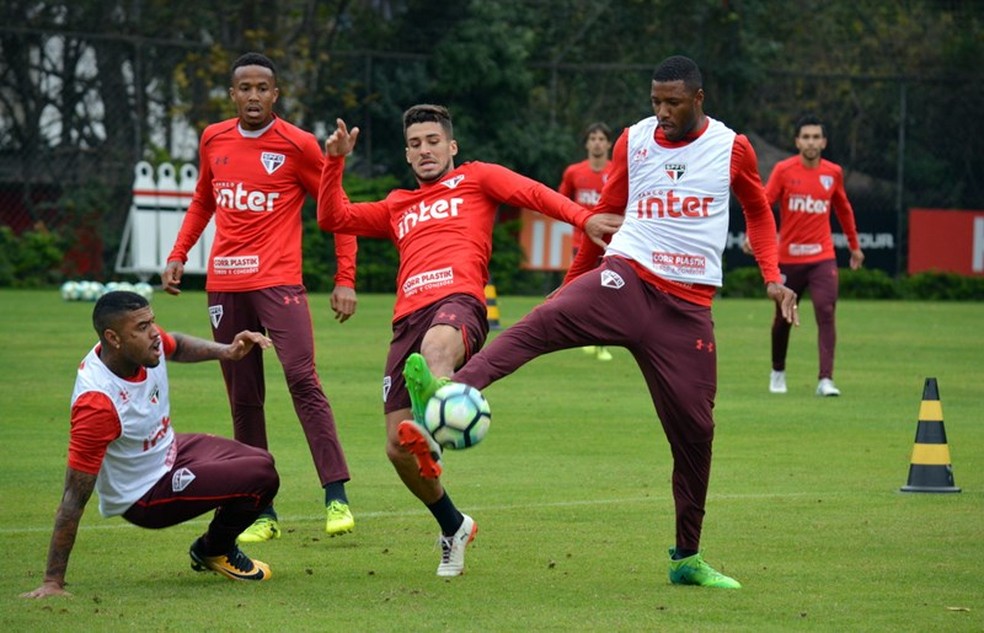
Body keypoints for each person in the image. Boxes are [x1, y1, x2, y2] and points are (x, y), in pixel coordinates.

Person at [406, 56, 799, 589]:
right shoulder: (632, 141)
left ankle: (687, 558)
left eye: (673, 103)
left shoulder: (733, 148)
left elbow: (757, 211)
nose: (661, 112)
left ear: (698, 99)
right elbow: (603, 219)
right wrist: (572, 285)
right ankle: (445, 392)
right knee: (539, 323)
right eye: (655, 101)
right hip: (626, 278)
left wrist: (772, 275)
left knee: (696, 434)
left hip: (686, 311)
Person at [316, 104, 623, 576]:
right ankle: (453, 524)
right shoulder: (398, 205)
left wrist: (584, 219)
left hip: (458, 303)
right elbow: (333, 217)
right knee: (397, 450)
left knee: (436, 350)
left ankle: (434, 424)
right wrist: (333, 161)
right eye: (415, 144)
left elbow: (534, 193)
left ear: (452, 146)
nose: (425, 150)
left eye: (433, 141)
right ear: (406, 154)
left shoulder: (477, 179)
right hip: (405, 321)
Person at [161, 52, 358, 542]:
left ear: (276, 94)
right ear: (233, 95)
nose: (253, 96)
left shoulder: (298, 145)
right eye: (243, 87)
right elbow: (205, 198)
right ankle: (260, 509)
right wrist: (179, 252)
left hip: (279, 282)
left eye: (261, 88)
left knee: (301, 379)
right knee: (243, 397)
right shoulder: (213, 138)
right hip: (225, 285)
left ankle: (336, 495)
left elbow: (337, 209)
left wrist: (345, 277)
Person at [21, 291, 280, 599]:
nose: (155, 333)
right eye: (142, 327)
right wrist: (53, 581)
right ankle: (215, 550)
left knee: (263, 461)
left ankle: (213, 546)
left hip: (170, 450)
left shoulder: (144, 348)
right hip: (143, 493)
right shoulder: (98, 404)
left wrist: (228, 351)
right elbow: (73, 498)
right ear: (113, 338)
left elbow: (179, 345)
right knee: (262, 477)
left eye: (152, 322)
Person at [745, 114, 864, 396]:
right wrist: (753, 234)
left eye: (816, 137)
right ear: (797, 141)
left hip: (822, 257)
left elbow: (843, 209)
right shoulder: (784, 170)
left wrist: (854, 245)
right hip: (788, 259)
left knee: (825, 311)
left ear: (823, 142)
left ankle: (825, 380)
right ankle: (777, 371)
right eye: (806, 137)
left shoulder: (833, 173)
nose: (811, 142)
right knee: (782, 317)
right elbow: (763, 203)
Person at [558, 122, 615, 362]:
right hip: (581, 242)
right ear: (586, 144)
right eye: (593, 138)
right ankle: (579, 336)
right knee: (580, 291)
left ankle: (600, 341)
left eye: (602, 138)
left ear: (609, 143)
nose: (597, 143)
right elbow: (561, 199)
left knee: (607, 292)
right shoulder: (574, 172)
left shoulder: (617, 171)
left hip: (611, 243)